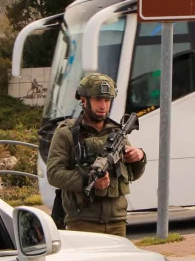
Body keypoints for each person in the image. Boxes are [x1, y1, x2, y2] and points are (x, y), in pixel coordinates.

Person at [45, 73, 146, 237]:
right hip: (82, 223)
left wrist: (139, 157)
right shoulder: (67, 133)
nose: (103, 106)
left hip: (117, 221)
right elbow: (54, 174)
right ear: (84, 100)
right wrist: (88, 180)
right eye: (98, 99)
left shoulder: (118, 132)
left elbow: (133, 174)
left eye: (107, 100)